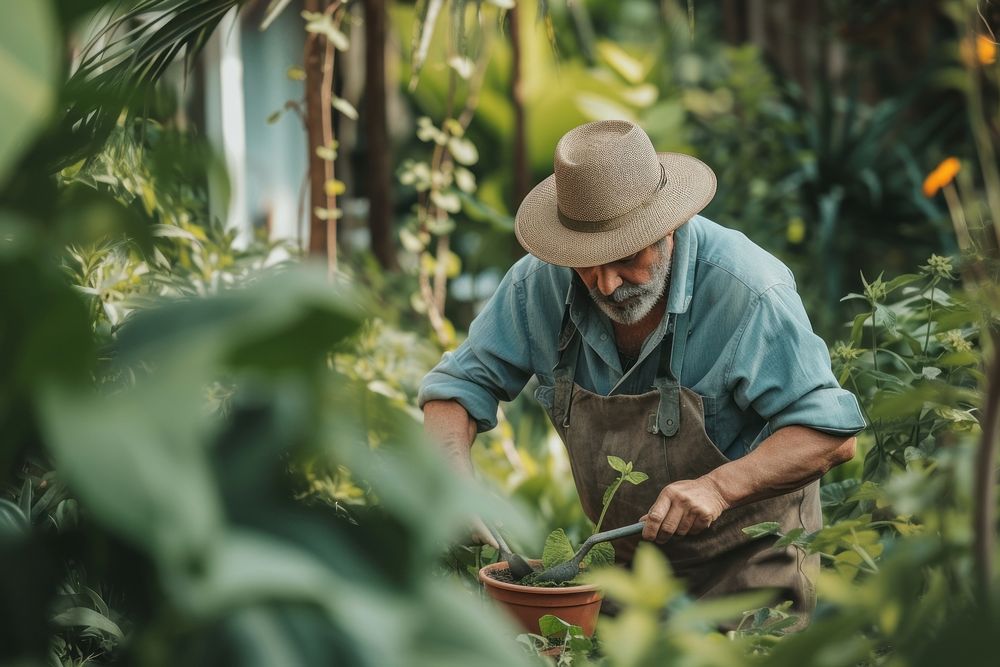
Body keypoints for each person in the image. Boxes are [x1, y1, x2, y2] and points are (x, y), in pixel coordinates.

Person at [419, 119, 866, 620]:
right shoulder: (537, 286)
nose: (606, 285)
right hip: (627, 584)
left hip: (749, 577)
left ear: (666, 226)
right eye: (586, 262)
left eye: (626, 258)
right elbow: (455, 389)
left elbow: (831, 434)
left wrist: (719, 488)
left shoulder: (747, 290)